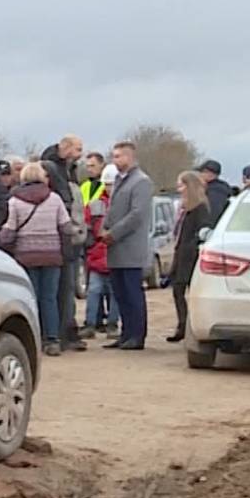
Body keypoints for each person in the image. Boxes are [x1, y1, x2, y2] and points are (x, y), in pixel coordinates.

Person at [1, 162, 75, 355]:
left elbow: (9, 231)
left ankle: (34, 338)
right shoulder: (55, 199)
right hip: (52, 255)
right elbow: (67, 227)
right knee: (49, 298)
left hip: (26, 256)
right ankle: (53, 339)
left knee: (31, 299)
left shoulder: (15, 201)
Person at [37, 135, 88, 352]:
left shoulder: (69, 169)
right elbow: (68, 211)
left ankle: (62, 331)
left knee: (60, 290)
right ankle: (61, 333)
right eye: (77, 149)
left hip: (64, 242)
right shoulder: (57, 174)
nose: (80, 153)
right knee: (60, 290)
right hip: (61, 243)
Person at [101, 141, 152, 350]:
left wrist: (113, 233)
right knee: (120, 294)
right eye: (114, 156)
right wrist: (104, 227)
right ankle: (126, 333)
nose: (115, 160)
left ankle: (137, 335)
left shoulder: (141, 182)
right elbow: (113, 209)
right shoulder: (120, 180)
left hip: (130, 247)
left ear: (130, 157)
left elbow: (137, 215)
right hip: (116, 248)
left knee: (132, 293)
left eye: (119, 156)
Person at [167, 170, 213, 343]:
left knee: (185, 291)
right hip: (182, 256)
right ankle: (182, 325)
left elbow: (203, 231)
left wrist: (190, 247)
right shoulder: (186, 209)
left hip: (190, 258)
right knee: (177, 290)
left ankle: (187, 327)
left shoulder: (200, 208)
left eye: (181, 185)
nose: (179, 189)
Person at [82, 162, 117, 336]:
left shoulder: (123, 204)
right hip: (97, 257)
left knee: (114, 294)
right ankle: (91, 324)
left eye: (113, 184)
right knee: (94, 292)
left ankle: (112, 325)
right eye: (108, 184)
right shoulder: (95, 205)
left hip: (114, 255)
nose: (110, 188)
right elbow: (86, 227)